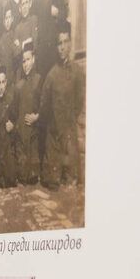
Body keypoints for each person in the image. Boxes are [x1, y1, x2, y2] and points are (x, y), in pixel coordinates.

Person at [40, 25, 82, 189]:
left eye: (65, 42)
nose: (62, 47)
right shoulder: (51, 75)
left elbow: (79, 102)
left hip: (69, 133)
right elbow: (44, 108)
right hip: (54, 136)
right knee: (52, 181)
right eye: (59, 43)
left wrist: (70, 121)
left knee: (72, 179)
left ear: (70, 43)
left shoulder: (77, 72)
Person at [30, 0, 67, 77]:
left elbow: (65, 16)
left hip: (54, 49)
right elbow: (33, 23)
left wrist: (57, 13)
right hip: (41, 51)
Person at [15, 45, 44, 185]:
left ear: (33, 59)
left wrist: (37, 117)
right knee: (22, 177)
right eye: (23, 61)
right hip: (22, 136)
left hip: (34, 134)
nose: (26, 64)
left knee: (32, 177)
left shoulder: (39, 80)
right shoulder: (19, 85)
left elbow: (45, 106)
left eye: (28, 60)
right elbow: (14, 111)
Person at [0, 66, 19, 189]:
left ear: (6, 83)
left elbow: (18, 123)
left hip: (8, 150)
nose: (0, 87)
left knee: (11, 180)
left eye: (3, 82)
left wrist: (13, 127)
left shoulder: (11, 101)